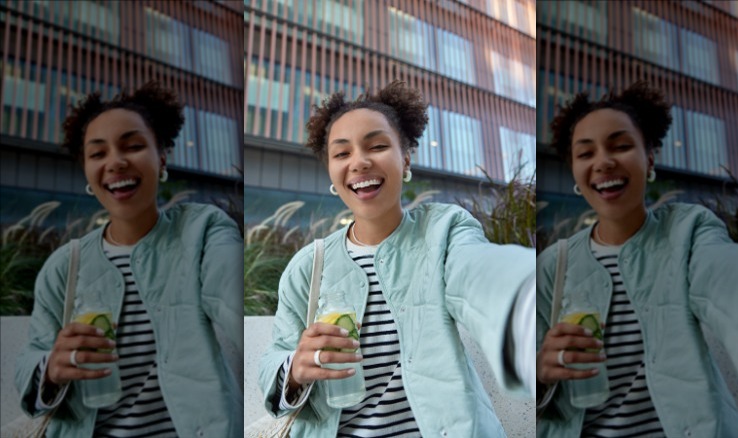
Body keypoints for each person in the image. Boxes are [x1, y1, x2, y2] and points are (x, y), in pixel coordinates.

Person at [258, 80, 537, 436]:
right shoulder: (308, 266)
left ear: (405, 158)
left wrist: (529, 302)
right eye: (341, 153)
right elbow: (272, 362)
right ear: (330, 170)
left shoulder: (444, 232)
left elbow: (480, 275)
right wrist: (296, 366)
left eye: (376, 146)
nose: (358, 162)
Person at [536, 81, 738, 437]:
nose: (603, 162)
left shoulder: (688, 232)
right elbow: (525, 378)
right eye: (585, 154)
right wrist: (541, 371)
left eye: (620, 146)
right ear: (574, 171)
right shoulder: (553, 265)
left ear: (649, 158)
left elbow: (731, 278)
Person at [14, 82, 243, 437]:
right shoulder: (65, 267)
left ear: (161, 157)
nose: (116, 162)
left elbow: (233, 300)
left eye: (133, 146)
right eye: (97, 153)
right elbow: (30, 361)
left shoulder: (202, 232)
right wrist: (51, 369)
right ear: (87, 172)